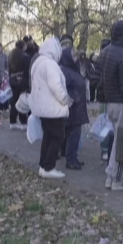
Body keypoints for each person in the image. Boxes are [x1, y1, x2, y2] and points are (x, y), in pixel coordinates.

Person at [98, 21, 123, 191]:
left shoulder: (106, 52)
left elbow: (101, 80)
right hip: (122, 104)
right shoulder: (122, 56)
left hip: (110, 103)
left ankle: (110, 177)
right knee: (122, 143)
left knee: (116, 142)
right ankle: (118, 180)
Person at [30, 37, 71, 179]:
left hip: (43, 108)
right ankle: (49, 166)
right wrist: (65, 99)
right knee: (58, 137)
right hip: (53, 108)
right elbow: (56, 86)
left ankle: (43, 165)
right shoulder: (50, 64)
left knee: (48, 136)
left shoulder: (38, 63)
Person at [59, 46, 89, 170]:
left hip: (77, 106)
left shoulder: (72, 69)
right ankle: (71, 160)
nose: (76, 58)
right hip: (73, 107)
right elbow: (64, 89)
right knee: (74, 134)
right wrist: (74, 99)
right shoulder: (65, 71)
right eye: (73, 56)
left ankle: (72, 157)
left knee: (72, 133)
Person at [7, 40, 31, 130]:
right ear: (23, 46)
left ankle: (12, 121)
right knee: (22, 101)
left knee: (14, 100)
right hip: (22, 81)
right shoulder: (25, 56)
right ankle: (23, 121)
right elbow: (28, 70)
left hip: (13, 80)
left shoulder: (11, 56)